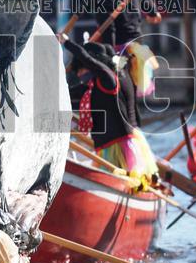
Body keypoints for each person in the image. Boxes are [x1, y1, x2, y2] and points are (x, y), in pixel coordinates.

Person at [61, 36, 158, 182]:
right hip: (111, 143)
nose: (79, 74)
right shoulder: (102, 82)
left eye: (81, 68)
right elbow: (69, 93)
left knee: (125, 181)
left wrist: (66, 43)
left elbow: (89, 61)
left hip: (118, 145)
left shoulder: (109, 79)